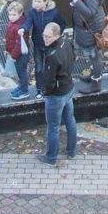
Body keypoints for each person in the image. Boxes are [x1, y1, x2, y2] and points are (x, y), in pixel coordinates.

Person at [36, 20, 77, 166]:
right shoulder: (67, 43)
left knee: (53, 127)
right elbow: (74, 58)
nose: (45, 39)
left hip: (56, 95)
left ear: (57, 35)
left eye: (48, 37)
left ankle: (51, 157)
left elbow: (48, 80)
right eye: (44, 36)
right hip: (69, 88)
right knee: (70, 120)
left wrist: (45, 92)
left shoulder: (52, 55)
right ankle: (71, 150)